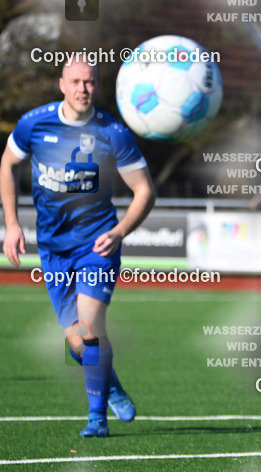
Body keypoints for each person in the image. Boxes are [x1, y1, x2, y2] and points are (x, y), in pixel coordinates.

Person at [1, 56, 155, 437]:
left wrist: (119, 232)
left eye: (89, 82)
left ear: (97, 86)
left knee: (89, 328)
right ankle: (111, 383)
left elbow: (145, 191)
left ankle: (96, 418)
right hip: (52, 248)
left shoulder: (113, 133)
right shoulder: (34, 124)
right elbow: (6, 165)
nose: (82, 89)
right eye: (75, 82)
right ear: (62, 84)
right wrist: (12, 224)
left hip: (96, 244)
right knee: (77, 342)